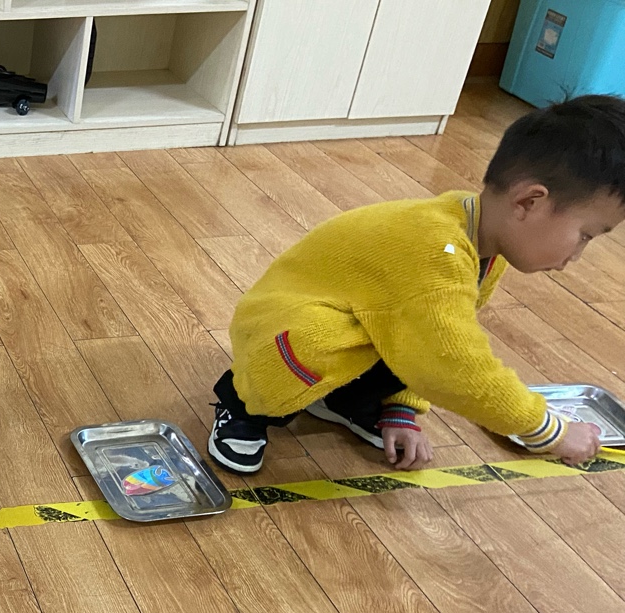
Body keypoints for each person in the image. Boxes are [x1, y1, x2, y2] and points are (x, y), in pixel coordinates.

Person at [209, 94, 625, 475]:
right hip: (275, 334)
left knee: (415, 328)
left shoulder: (478, 236)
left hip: (353, 321)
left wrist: (400, 409)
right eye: (586, 235)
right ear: (529, 202)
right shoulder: (434, 249)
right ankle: (242, 403)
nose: (577, 255)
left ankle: (340, 399)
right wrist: (548, 429)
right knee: (331, 340)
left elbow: (425, 338)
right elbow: (453, 365)